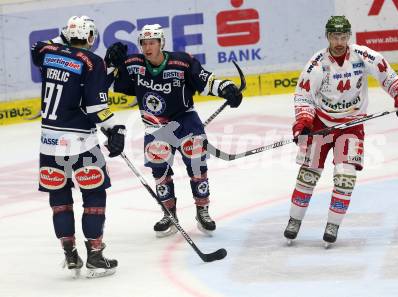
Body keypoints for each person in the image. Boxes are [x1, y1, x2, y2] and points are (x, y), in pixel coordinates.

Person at [284, 16, 398, 246]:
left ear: (349, 36)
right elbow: (303, 95)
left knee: (345, 176)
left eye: (343, 36)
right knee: (308, 175)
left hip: (352, 125)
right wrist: (303, 121)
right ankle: (294, 220)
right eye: (335, 36)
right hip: (320, 124)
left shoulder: (363, 56)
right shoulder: (317, 64)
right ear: (328, 36)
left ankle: (333, 224)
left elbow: (388, 76)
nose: (339, 41)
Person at [105, 24, 242, 237]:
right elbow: (107, 84)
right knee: (159, 169)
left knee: (197, 164)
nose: (148, 47)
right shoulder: (133, 64)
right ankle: (169, 213)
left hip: (185, 121)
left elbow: (206, 81)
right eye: (144, 43)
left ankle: (202, 210)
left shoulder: (182, 62)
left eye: (152, 42)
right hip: (155, 125)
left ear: (161, 43)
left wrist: (226, 88)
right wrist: (110, 64)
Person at [31, 16, 126, 277]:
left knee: (59, 199)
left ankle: (70, 255)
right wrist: (115, 129)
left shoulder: (47, 51)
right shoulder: (92, 61)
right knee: (94, 194)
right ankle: (95, 255)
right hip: (80, 143)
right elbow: (95, 105)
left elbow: (37, 49)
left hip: (49, 144)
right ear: (91, 37)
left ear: (65, 34)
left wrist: (109, 68)